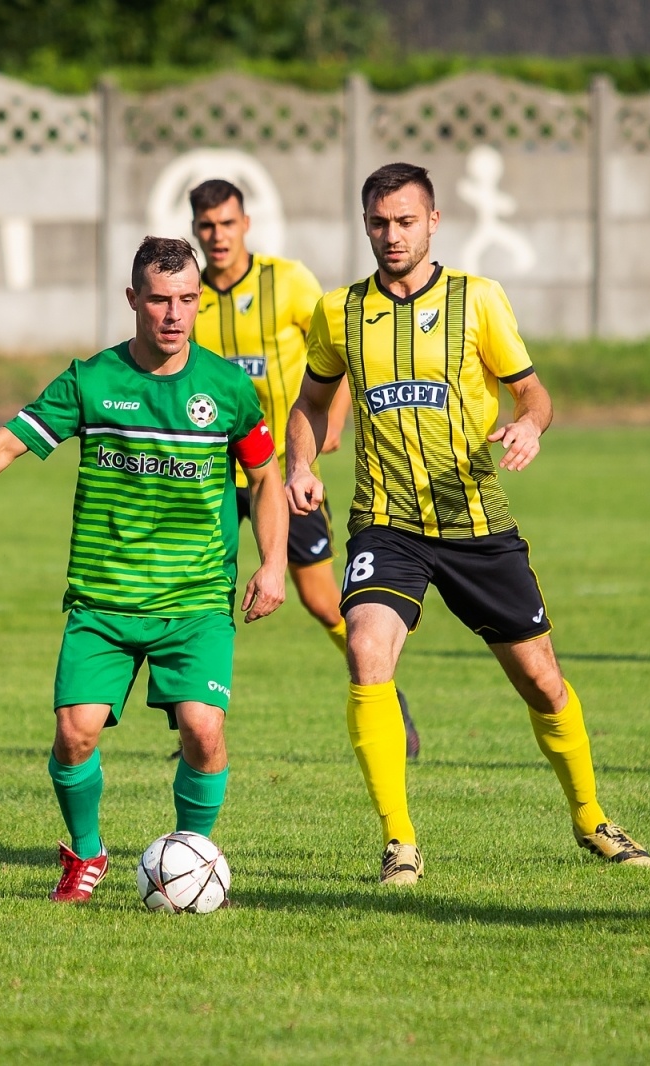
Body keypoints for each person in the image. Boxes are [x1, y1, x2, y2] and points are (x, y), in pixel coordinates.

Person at [0, 237, 287, 902]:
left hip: (195, 598)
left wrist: (273, 565)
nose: (173, 314)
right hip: (103, 600)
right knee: (74, 734)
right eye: (159, 300)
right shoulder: (92, 382)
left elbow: (265, 477)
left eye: (186, 299)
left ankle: (191, 856)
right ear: (133, 300)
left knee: (204, 727)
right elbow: (10, 440)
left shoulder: (227, 389)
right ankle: (87, 854)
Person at [284, 162, 650, 886]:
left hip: (476, 521)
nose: (392, 235)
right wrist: (302, 464)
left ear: (434, 222)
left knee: (543, 682)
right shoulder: (338, 312)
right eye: (379, 223)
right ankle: (399, 841)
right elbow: (309, 403)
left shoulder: (477, 300)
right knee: (366, 652)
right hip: (386, 524)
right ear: (365, 225)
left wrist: (531, 428)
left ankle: (591, 817)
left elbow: (533, 393)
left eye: (405, 221)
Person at [188, 178, 420, 759]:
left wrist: (329, 427)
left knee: (321, 600)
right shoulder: (188, 297)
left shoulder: (285, 281)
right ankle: (197, 721)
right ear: (197, 230)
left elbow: (336, 356)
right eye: (207, 226)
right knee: (200, 597)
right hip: (209, 476)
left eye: (227, 223)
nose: (217, 236)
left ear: (245, 223)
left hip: (277, 474)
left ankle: (387, 696)